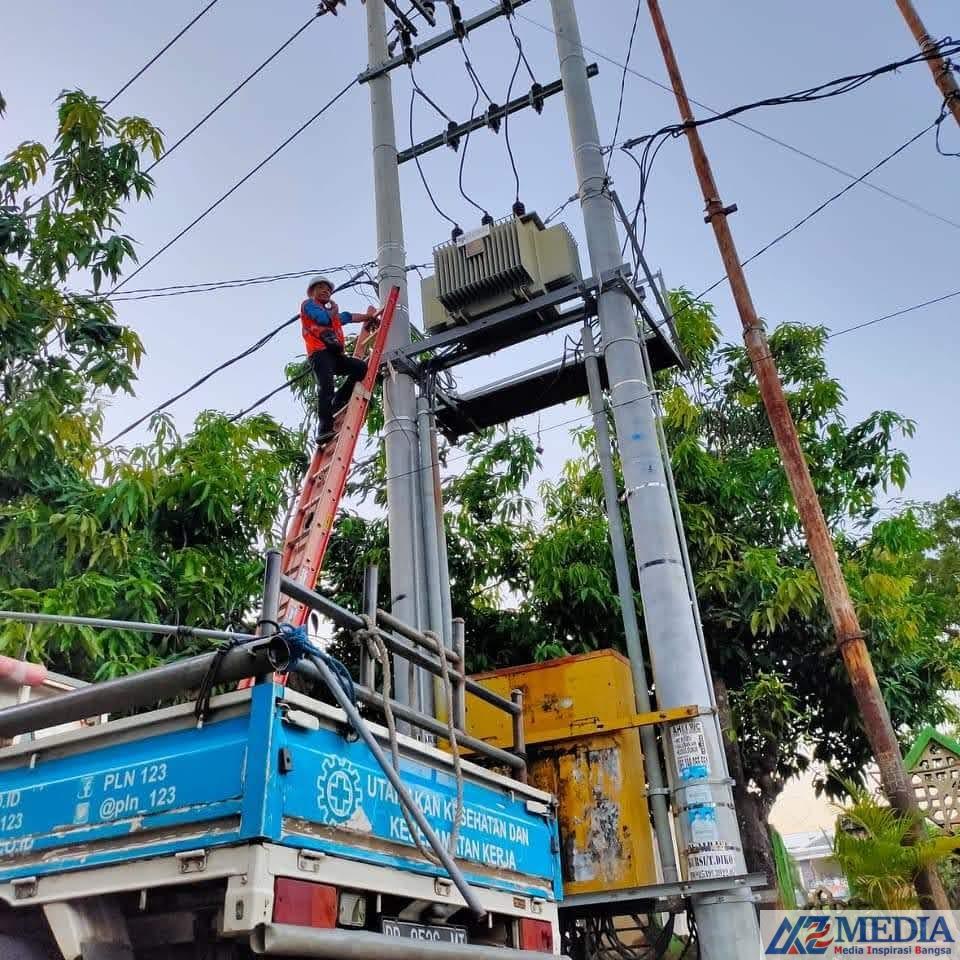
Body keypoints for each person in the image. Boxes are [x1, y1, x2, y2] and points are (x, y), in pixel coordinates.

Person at [301, 277, 380, 445]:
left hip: (335, 355)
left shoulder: (333, 315)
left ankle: (339, 399)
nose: (325, 291)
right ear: (312, 292)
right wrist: (333, 311)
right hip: (319, 353)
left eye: (328, 289)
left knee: (360, 368)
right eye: (321, 288)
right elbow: (322, 319)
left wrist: (368, 317)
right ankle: (324, 429)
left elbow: (348, 317)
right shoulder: (308, 305)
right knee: (326, 387)